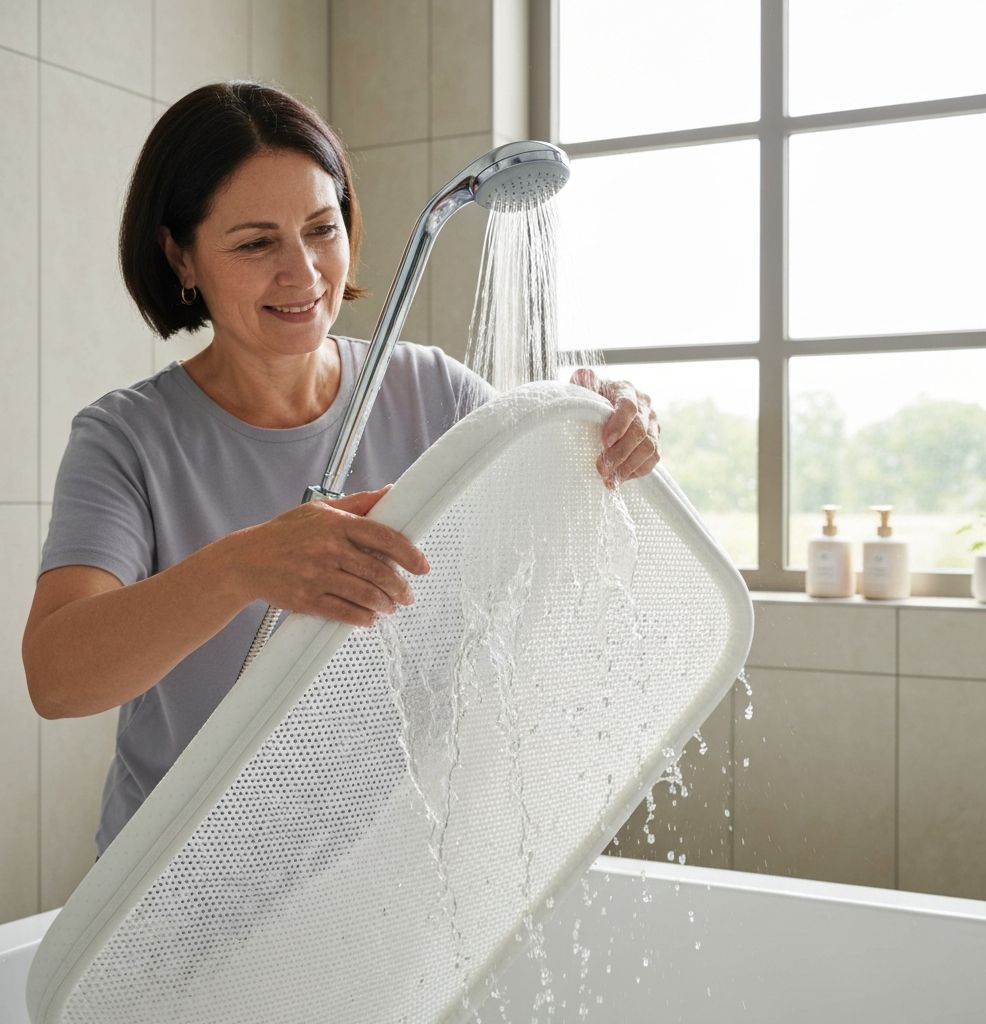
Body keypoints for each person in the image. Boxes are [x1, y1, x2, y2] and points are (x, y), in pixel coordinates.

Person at [21, 81, 661, 856]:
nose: (305, 273)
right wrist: (242, 567)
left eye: (322, 230)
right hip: (180, 892)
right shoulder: (127, 439)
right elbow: (56, 680)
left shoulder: (435, 395)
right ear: (179, 255)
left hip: (380, 889)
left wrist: (605, 433)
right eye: (256, 243)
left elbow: (554, 546)